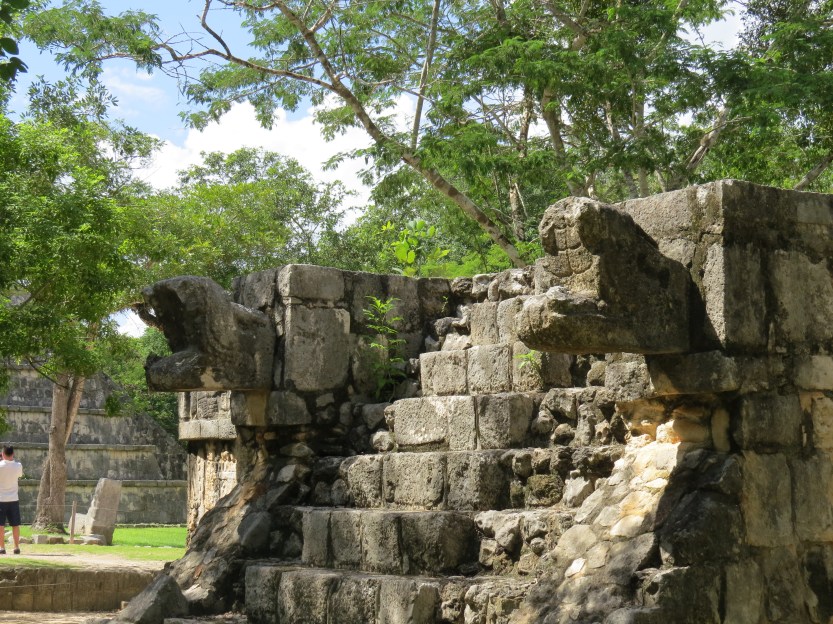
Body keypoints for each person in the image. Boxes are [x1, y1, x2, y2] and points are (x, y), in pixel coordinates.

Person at [0, 445, 23, 554]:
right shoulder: (18, 466)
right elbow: (19, 475)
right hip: (13, 498)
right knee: (15, 524)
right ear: (13, 454)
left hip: (1, 499)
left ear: (2, 454)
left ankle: (2, 547)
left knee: (0, 525)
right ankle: (16, 547)